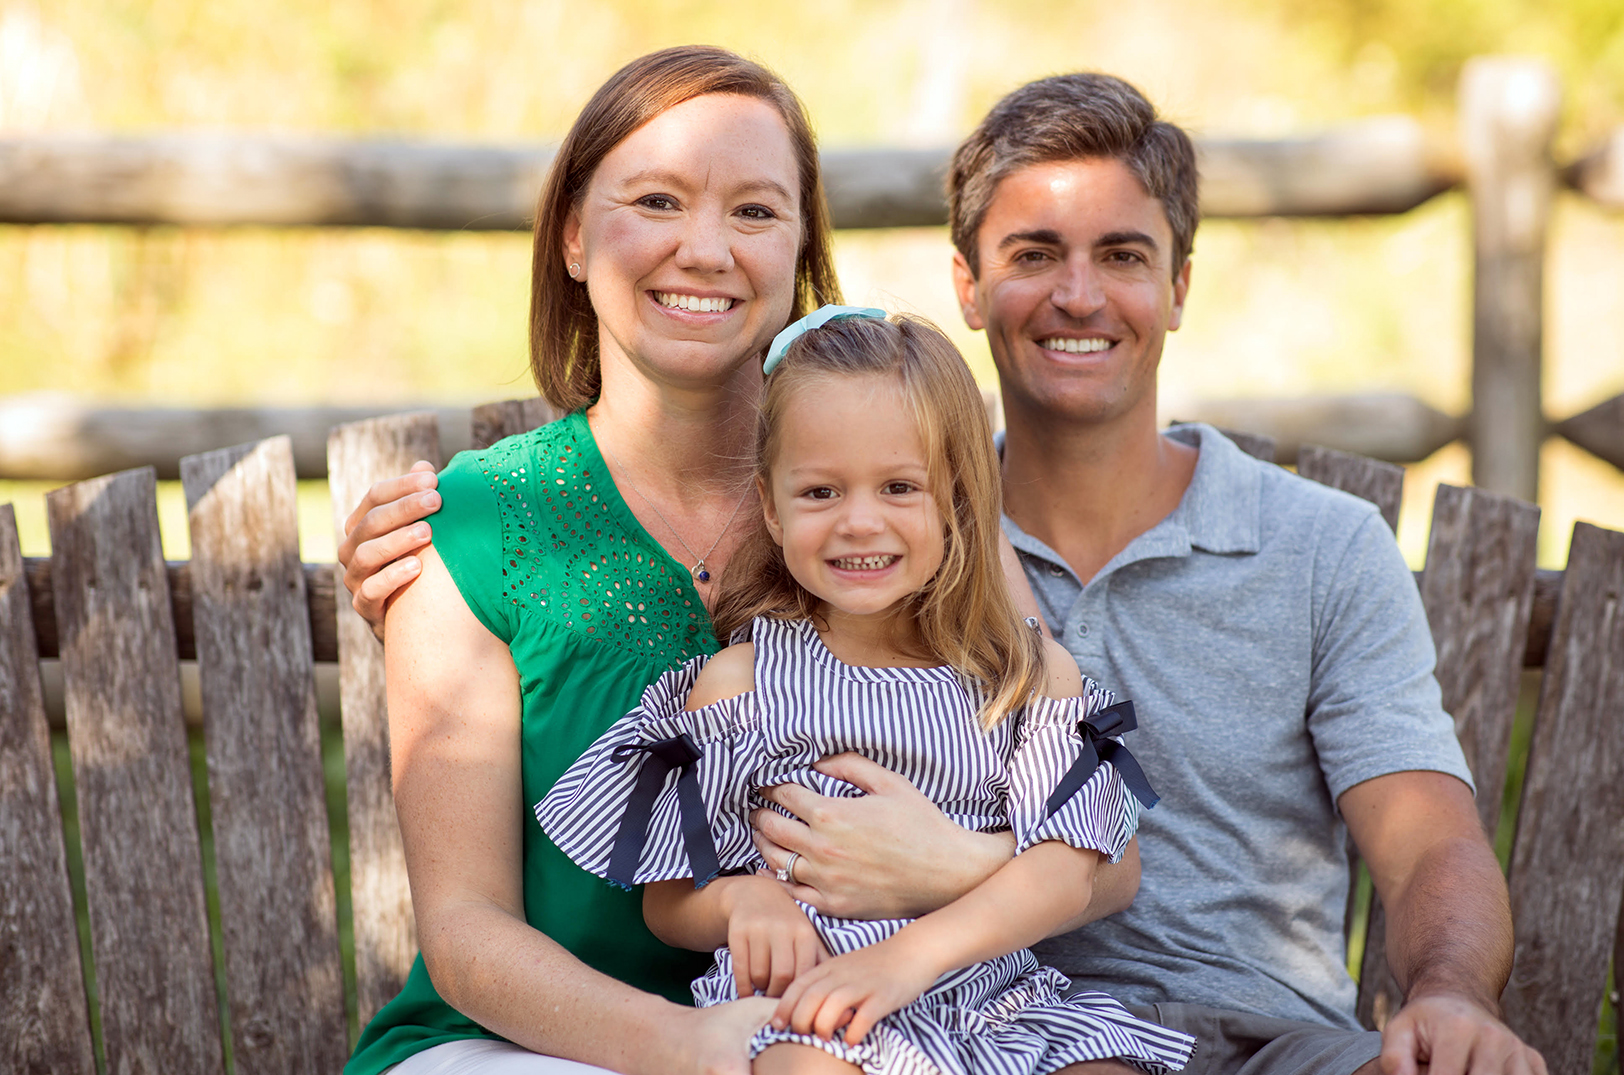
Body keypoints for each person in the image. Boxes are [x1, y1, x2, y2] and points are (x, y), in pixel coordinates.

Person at [340, 63, 1546, 1075]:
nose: (1078, 293)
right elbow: (498, 904)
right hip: (786, 1030)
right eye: (1034, 252)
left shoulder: (964, 532)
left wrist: (1450, 994)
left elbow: (1393, 835)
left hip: (1103, 1023)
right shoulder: (831, 540)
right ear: (964, 285)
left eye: (1123, 253)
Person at [343, 46, 1124, 1075]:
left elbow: (1094, 846)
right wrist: (689, 1043)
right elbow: (465, 933)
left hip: (872, 1020)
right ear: (573, 235)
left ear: (800, 249)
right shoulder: (480, 527)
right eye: (657, 201)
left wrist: (952, 865)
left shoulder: (891, 512)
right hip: (538, 1047)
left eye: (754, 212)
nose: (704, 248)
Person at [534, 308, 1197, 1075]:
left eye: (897, 486)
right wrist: (743, 903)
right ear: (771, 506)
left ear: (956, 502)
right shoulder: (739, 686)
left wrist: (903, 962)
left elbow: (1064, 871)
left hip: (995, 1002)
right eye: (819, 492)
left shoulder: (1027, 678)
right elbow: (669, 898)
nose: (858, 521)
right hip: (817, 1008)